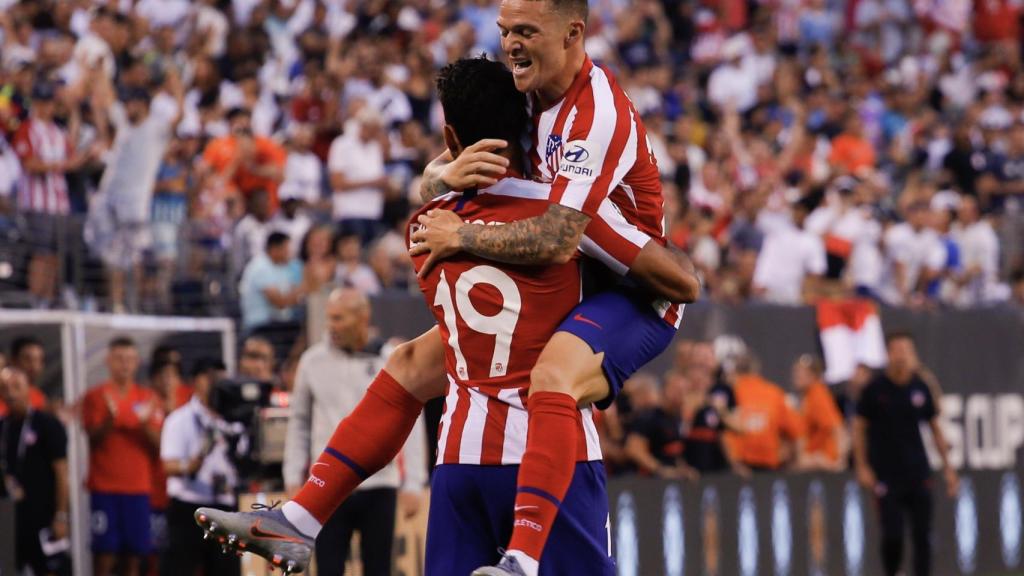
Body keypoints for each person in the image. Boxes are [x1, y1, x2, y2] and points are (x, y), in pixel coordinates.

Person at [194, 56, 696, 576]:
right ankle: (520, 558)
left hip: (459, 463)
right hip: (552, 465)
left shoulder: (427, 223)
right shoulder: (566, 216)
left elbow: (450, 201)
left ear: (451, 137)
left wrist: (435, 178)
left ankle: (301, 514)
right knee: (542, 377)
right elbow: (677, 281)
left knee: (408, 363)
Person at [414, 0, 700, 569]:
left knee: (552, 379)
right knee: (408, 364)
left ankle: (522, 558)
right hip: (579, 280)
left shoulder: (593, 115)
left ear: (574, 33)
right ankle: (300, 517)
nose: (511, 44)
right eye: (504, 32)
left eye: (525, 32)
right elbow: (443, 164)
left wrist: (461, 235)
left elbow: (555, 239)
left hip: (637, 296)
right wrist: (440, 176)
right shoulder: (527, 93)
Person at [283, 289, 427, 575]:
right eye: (329, 318)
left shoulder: (390, 358)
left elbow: (410, 421)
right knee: (329, 569)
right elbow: (298, 422)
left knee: (378, 569)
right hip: (328, 485)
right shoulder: (312, 362)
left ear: (363, 317)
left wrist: (413, 482)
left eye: (339, 318)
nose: (331, 326)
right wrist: (291, 475)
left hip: (380, 484)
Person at [853, 331, 959, 576]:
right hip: (886, 474)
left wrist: (949, 469)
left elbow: (935, 428)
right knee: (893, 535)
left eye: (906, 350)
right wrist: (862, 466)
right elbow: (858, 429)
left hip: (917, 471)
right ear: (888, 353)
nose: (902, 356)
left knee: (923, 535)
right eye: (897, 350)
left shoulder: (919, 386)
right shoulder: (875, 389)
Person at [92, 69, 184, 313]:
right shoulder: (124, 124)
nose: (128, 107)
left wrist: (176, 86)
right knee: (110, 257)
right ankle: (116, 303)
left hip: (135, 204)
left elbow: (179, 117)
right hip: (109, 200)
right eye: (127, 103)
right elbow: (108, 101)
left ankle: (134, 305)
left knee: (134, 258)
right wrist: (99, 74)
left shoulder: (156, 128)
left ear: (144, 105)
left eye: (132, 103)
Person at [81, 337, 163, 576]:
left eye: (129, 359)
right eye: (119, 359)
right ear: (108, 361)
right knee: (104, 554)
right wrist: (109, 420)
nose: (124, 365)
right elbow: (91, 437)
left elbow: (159, 445)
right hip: (105, 489)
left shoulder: (148, 398)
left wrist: (144, 423)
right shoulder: (95, 397)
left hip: (138, 489)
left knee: (135, 555)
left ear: (137, 362)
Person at [160, 358, 241, 576]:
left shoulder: (234, 420)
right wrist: (191, 464)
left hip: (225, 507)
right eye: (210, 377)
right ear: (195, 381)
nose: (216, 384)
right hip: (189, 508)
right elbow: (168, 464)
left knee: (227, 570)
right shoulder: (179, 419)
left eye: (221, 379)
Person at [0, 366, 70, 576]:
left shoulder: (47, 424)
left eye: (16, 387)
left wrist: (61, 515)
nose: (11, 393)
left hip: (43, 514)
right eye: (4, 388)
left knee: (49, 569)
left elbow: (61, 472)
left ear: (28, 388)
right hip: (10, 516)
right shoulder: (3, 426)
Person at [327, 105, 391, 245]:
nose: (376, 133)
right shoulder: (341, 144)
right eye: (374, 129)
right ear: (363, 126)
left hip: (373, 211)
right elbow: (337, 183)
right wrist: (372, 183)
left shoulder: (375, 148)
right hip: (350, 211)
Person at [730, 353, 804, 471]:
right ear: (755, 370)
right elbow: (797, 433)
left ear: (734, 372)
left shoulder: (730, 392)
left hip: (737, 467)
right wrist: (797, 463)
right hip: (769, 465)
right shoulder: (774, 393)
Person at [623, 371, 699, 479]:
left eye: (685, 392)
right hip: (646, 483)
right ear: (665, 390)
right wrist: (661, 470)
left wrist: (684, 470)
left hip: (669, 483)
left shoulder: (676, 418)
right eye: (677, 391)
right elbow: (633, 449)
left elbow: (672, 451)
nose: (682, 396)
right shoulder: (649, 416)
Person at [238, 232, 306, 332]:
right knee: (303, 331)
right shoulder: (260, 267)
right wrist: (304, 286)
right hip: (260, 326)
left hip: (275, 323)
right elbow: (280, 303)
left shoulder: (280, 267)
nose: (289, 253)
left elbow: (292, 294)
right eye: (286, 249)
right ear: (275, 249)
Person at [792, 355, 846, 471]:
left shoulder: (817, 395)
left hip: (823, 462)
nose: (797, 375)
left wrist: (839, 459)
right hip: (815, 461)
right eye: (796, 371)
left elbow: (837, 428)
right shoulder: (808, 397)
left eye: (802, 372)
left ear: (814, 376)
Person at [0, 336, 48, 416]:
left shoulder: (39, 398)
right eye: (28, 359)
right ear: (13, 361)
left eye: (39, 360)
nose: (34, 367)